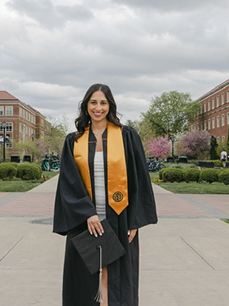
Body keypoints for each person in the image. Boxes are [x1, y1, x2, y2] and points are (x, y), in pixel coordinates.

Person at [53, 84, 158, 306]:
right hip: (86, 221)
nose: (98, 108)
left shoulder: (126, 136)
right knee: (85, 279)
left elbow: (139, 178)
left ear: (110, 105)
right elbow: (69, 182)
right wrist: (87, 213)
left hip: (119, 217)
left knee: (114, 278)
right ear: (86, 106)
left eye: (103, 102)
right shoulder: (75, 140)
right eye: (93, 102)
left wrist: (135, 219)